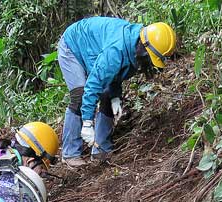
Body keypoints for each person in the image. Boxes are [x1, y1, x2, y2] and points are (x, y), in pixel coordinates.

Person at [57, 18, 177, 166]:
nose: (150, 63)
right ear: (144, 47)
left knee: (107, 94)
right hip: (73, 47)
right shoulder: (116, 51)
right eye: (150, 58)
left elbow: (115, 75)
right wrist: (87, 122)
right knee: (80, 95)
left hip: (96, 51)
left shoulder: (135, 48)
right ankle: (70, 154)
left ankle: (101, 150)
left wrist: (115, 97)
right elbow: (94, 83)